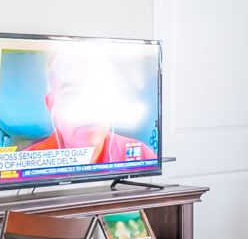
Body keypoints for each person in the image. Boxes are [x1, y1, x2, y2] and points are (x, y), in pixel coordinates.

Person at [19, 50, 159, 166]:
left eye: (98, 91)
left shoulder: (142, 155)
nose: (88, 107)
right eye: (71, 94)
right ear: (51, 105)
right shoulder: (25, 162)